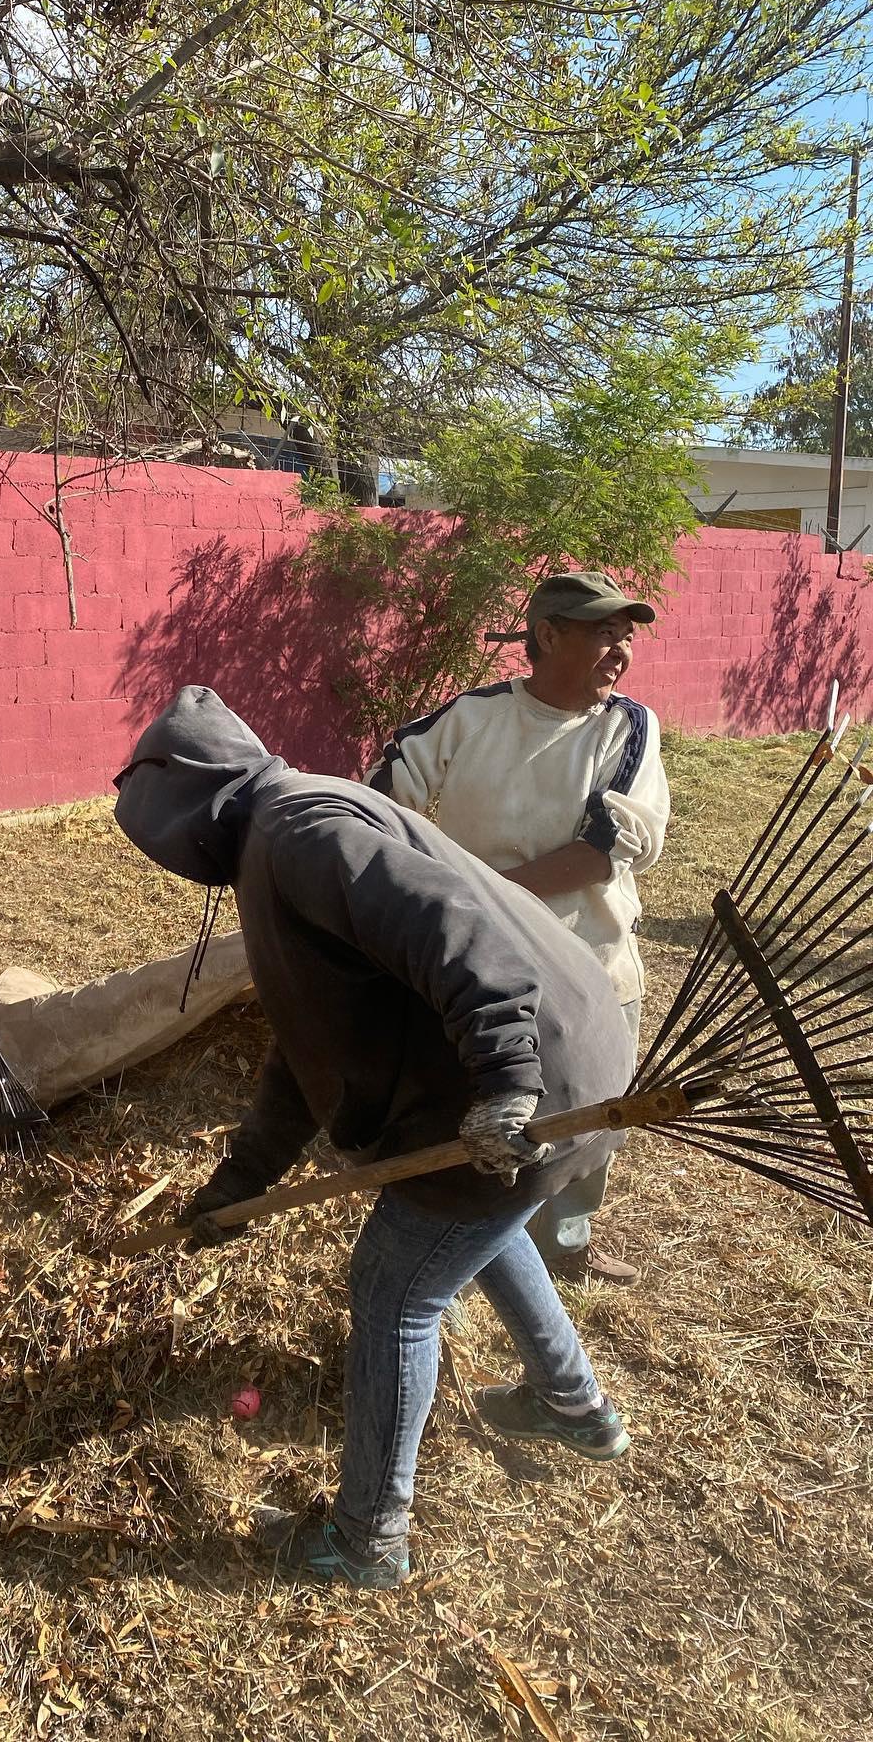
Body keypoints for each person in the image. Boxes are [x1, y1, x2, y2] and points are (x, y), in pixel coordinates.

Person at [114, 686, 634, 1590]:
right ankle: (574, 1405)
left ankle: (367, 1541)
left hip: (538, 1081)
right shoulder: (295, 821)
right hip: (576, 1056)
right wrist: (241, 1184)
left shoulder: (299, 835)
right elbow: (309, 1042)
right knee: (476, 1220)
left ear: (186, 812)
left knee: (395, 1292)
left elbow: (456, 929)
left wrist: (508, 1081)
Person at [367, 570, 670, 1287]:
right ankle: (480, 1242)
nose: (619, 651)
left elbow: (601, 851)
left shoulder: (627, 728)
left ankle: (565, 1242)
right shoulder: (472, 717)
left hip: (588, 964)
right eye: (603, 633)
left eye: (625, 638)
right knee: (477, 1110)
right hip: (478, 966)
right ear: (546, 636)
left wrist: (479, 895)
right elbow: (379, 802)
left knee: (590, 1126)